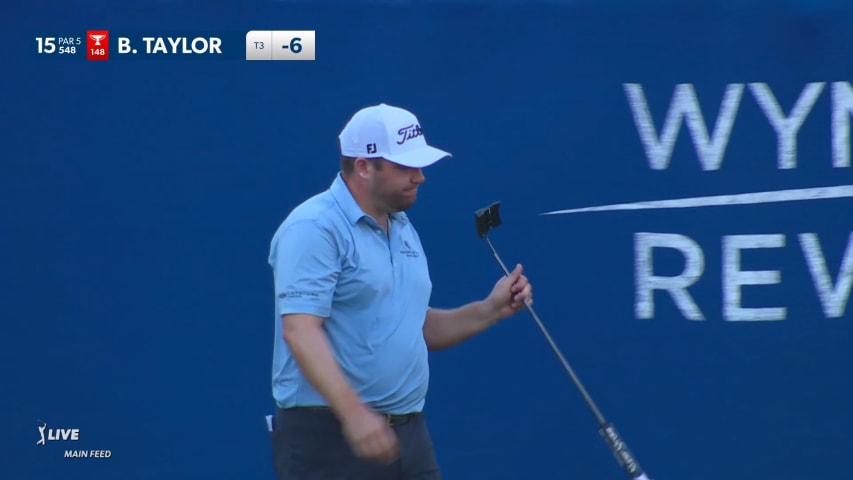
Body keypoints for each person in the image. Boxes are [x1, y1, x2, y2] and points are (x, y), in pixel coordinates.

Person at [268, 103, 533, 480]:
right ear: (364, 165)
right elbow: (300, 329)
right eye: (405, 166)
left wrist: (489, 309)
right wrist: (354, 414)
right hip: (329, 437)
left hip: (408, 435)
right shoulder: (314, 227)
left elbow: (414, 327)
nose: (420, 177)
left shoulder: (402, 226)